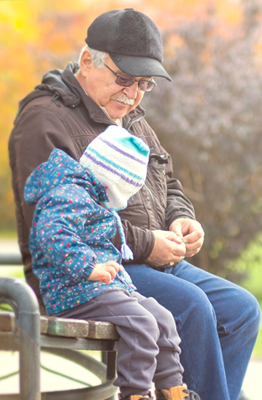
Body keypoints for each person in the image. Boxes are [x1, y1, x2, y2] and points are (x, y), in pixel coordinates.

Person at [7, 8, 259, 400]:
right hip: (87, 269)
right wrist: (147, 244)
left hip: (151, 261)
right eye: (123, 79)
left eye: (144, 83)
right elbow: (54, 221)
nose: (132, 93)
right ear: (88, 60)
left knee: (241, 309)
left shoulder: (133, 118)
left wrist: (181, 218)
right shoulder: (45, 119)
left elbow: (168, 180)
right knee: (192, 307)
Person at [23, 126, 194, 400]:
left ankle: (172, 390)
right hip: (73, 290)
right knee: (141, 323)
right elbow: (52, 235)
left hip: (101, 288)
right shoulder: (69, 194)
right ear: (112, 183)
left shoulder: (91, 196)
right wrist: (89, 267)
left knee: (161, 318)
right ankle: (136, 394)